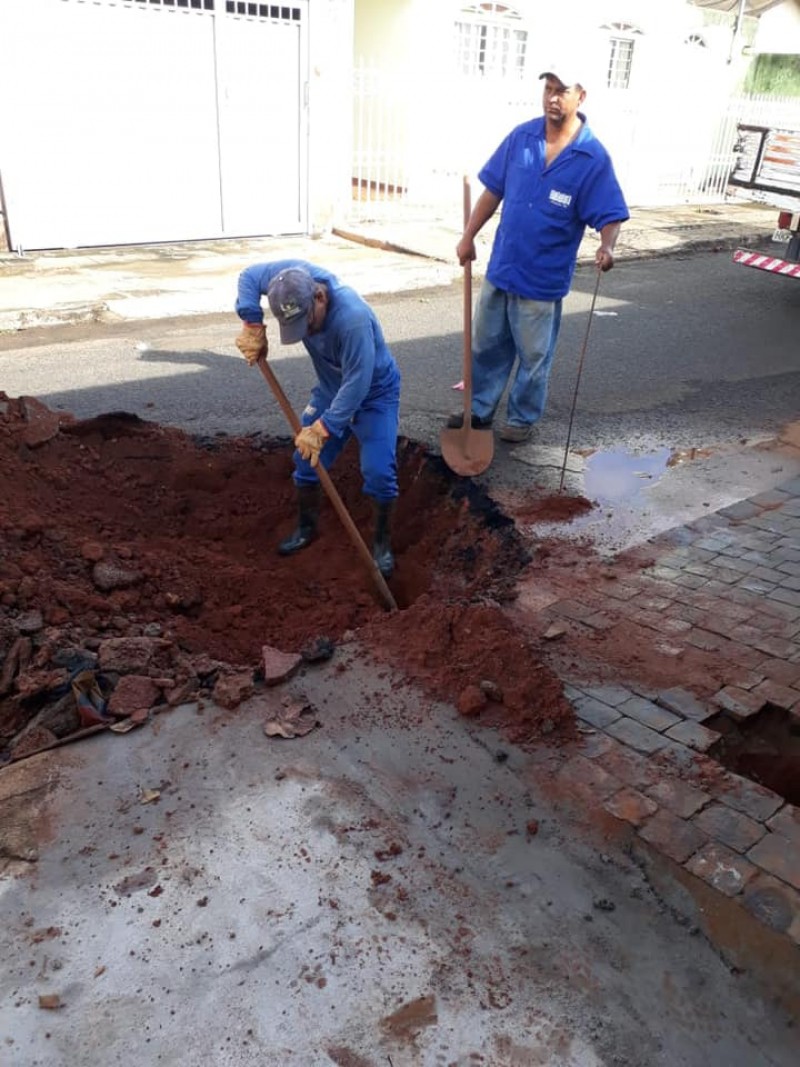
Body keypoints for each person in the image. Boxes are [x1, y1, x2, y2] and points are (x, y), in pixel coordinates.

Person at [449, 59, 629, 444]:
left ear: (581, 96)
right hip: (503, 266)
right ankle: (478, 410)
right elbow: (492, 190)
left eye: (562, 90)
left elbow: (610, 212)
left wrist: (607, 246)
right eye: (548, 88)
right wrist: (468, 236)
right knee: (486, 345)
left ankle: (521, 418)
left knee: (533, 357)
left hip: (542, 279)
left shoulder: (591, 157)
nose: (552, 98)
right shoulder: (521, 138)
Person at [235, 260, 401, 578]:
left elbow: (357, 383)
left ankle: (382, 545)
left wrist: (324, 427)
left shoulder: (351, 319)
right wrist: (251, 322)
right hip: (330, 388)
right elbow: (248, 276)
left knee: (379, 473)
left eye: (307, 323)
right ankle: (306, 528)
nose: (306, 332)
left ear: (320, 298)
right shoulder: (288, 279)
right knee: (305, 460)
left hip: (373, 394)